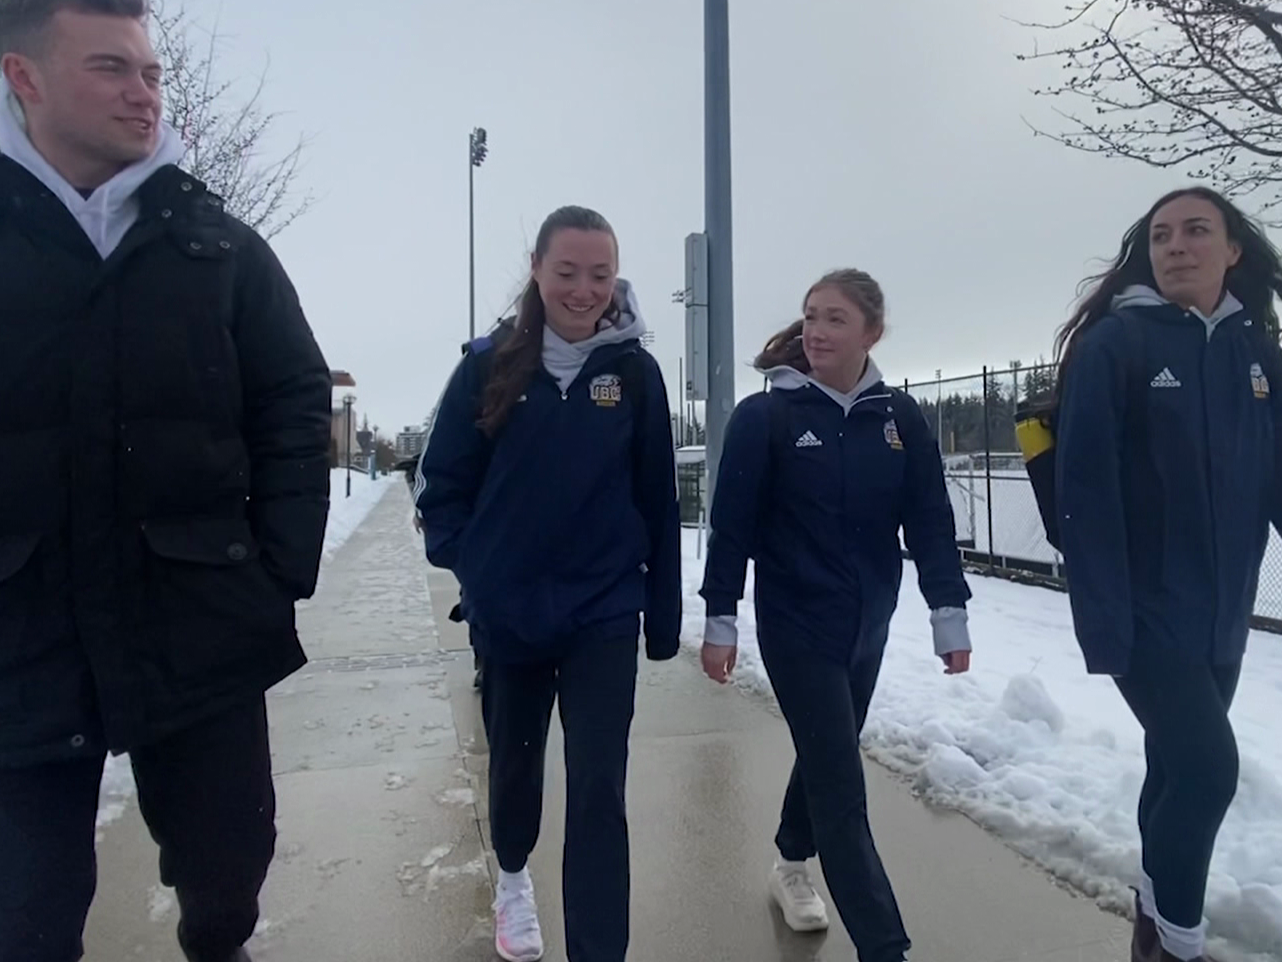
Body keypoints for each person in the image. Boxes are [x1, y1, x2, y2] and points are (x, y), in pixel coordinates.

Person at [0, 0, 331, 962]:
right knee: (18, 924)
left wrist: (274, 569)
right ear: (26, 76)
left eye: (151, 69)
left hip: (198, 620)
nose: (146, 90)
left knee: (227, 877)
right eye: (111, 66)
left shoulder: (218, 250)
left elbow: (292, 404)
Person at [1051, 188, 1282, 962]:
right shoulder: (1116, 345)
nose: (1176, 246)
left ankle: (1150, 920)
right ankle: (1177, 944)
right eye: (1162, 235)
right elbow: (1086, 497)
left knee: (1173, 770)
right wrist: (1103, 620)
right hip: (1142, 614)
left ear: (1233, 250)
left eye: (1196, 231)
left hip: (1222, 614)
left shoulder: (1258, 356)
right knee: (1209, 771)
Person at [412, 205, 680, 962]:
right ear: (537, 269)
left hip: (603, 611)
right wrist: (482, 569)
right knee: (518, 767)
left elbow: (658, 501)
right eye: (567, 272)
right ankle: (512, 877)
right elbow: (442, 486)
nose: (583, 289)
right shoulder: (488, 364)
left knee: (599, 787)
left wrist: (660, 621)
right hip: (513, 613)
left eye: (599, 274)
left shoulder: (633, 373)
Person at [699, 269, 971, 962]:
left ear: (871, 333)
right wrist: (721, 618)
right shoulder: (768, 417)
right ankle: (886, 947)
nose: (816, 331)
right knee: (842, 788)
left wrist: (948, 611)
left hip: (868, 626)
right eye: (810, 316)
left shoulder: (898, 419)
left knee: (830, 755)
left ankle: (791, 860)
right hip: (797, 627)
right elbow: (731, 525)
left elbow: (930, 520)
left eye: (835, 319)